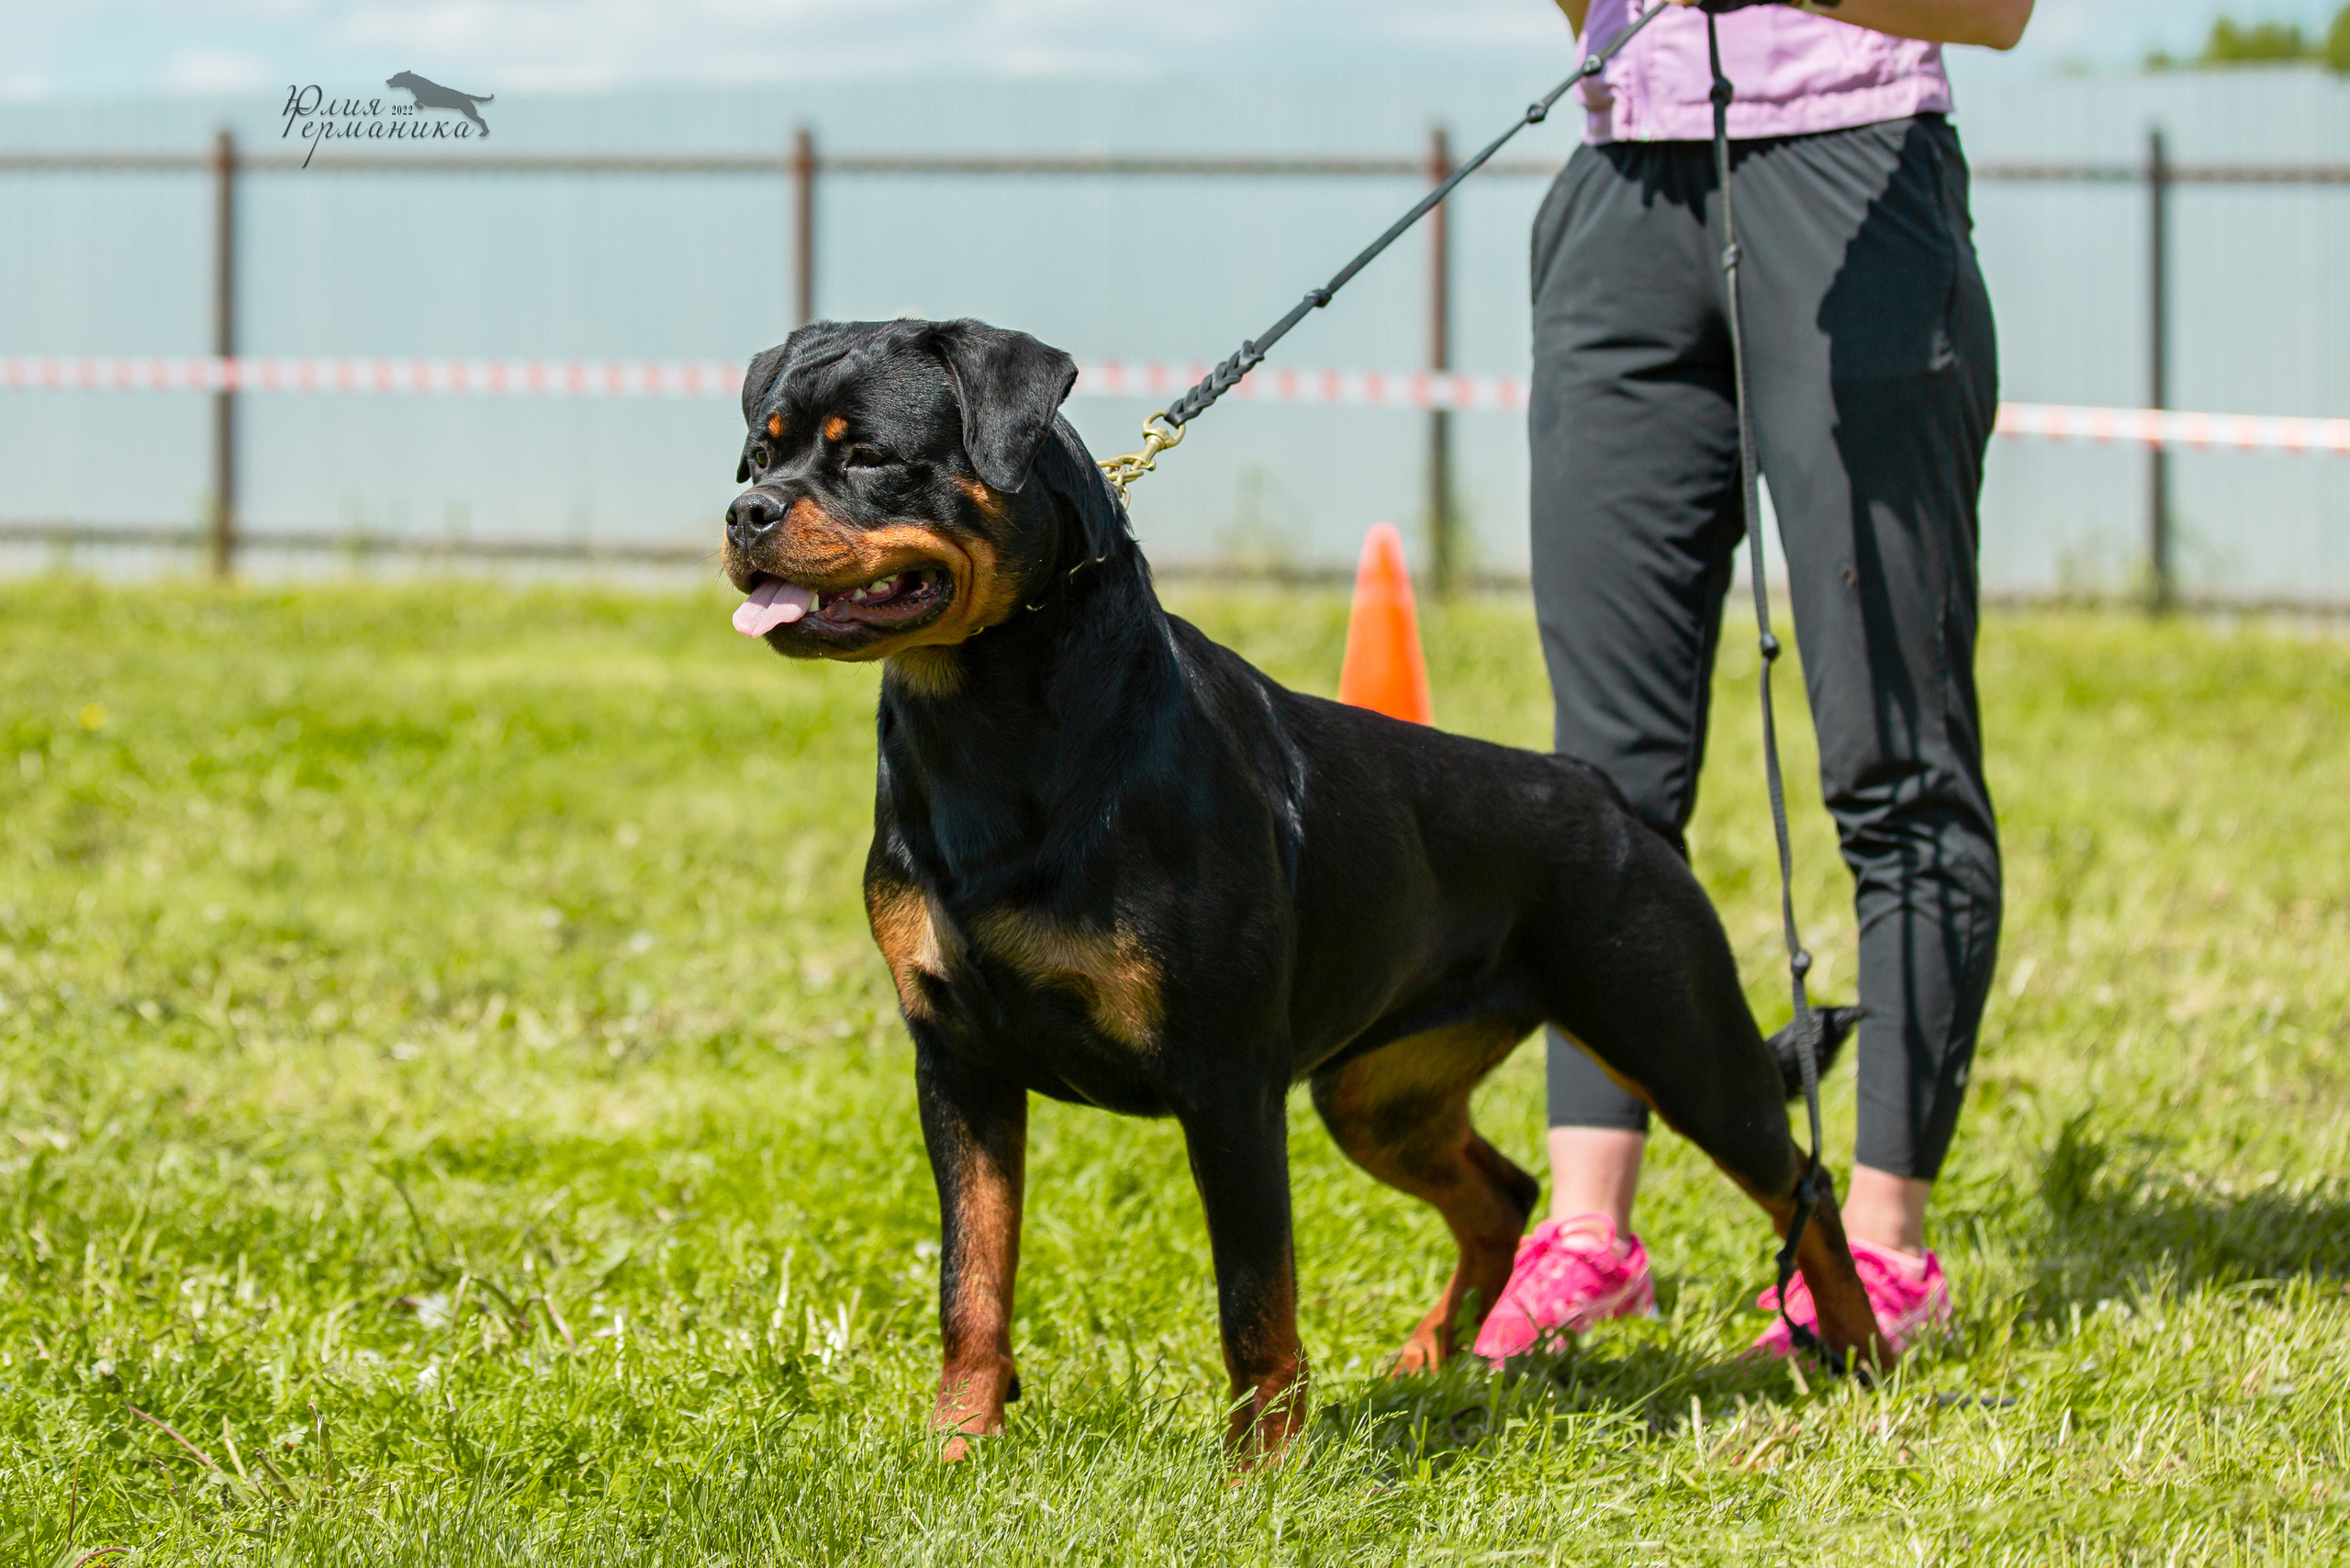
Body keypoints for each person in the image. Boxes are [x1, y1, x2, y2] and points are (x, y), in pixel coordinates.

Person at [1475, 0, 2034, 1364]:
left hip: (1855, 173)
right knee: (1596, 790)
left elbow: (2000, 12)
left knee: (1894, 761)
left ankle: (1887, 1251)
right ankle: (1590, 1241)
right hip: (1619, 184)